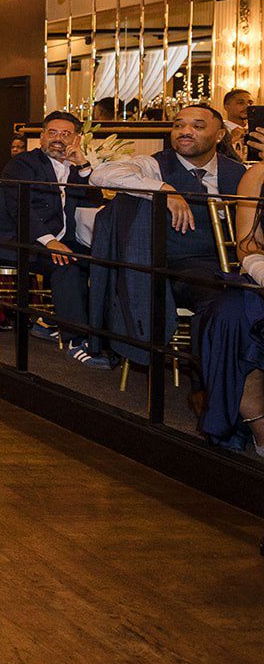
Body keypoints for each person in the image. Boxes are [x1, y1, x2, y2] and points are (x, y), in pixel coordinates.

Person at [89, 103, 244, 319]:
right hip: (180, 268)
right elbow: (102, 174)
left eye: (198, 127)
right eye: (178, 126)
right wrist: (162, 189)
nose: (185, 132)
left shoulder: (238, 171)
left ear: (219, 136)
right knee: (223, 303)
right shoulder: (155, 165)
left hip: (236, 264)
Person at [0, 111, 108, 368]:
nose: (58, 139)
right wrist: (49, 241)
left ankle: (57, 322)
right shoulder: (22, 164)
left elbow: (95, 201)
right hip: (20, 240)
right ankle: (77, 340)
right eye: (53, 133)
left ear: (76, 139)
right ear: (42, 136)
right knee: (65, 262)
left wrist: (82, 165)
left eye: (66, 134)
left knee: (102, 262)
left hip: (60, 240)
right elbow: (20, 208)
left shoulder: (73, 168)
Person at [194, 143, 264, 456]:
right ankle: (260, 427)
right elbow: (247, 244)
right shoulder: (258, 175)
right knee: (229, 315)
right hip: (262, 275)